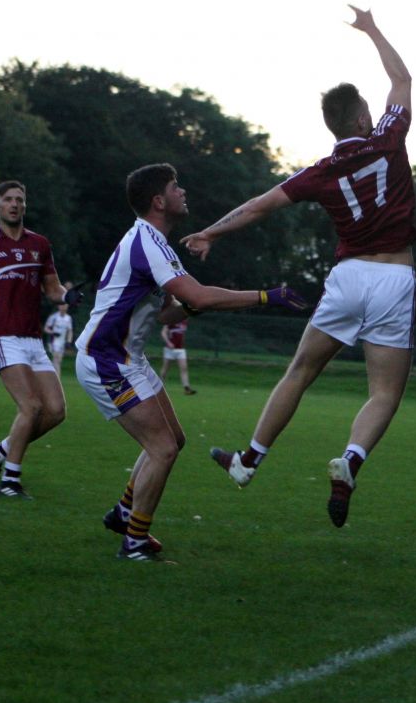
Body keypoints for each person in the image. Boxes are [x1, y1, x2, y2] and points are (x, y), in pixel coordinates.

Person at [182, 5, 415, 528]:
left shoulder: (320, 172)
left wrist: (210, 232)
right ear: (361, 118)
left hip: (348, 276)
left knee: (300, 372)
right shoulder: (389, 138)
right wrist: (372, 29)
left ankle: (249, 462)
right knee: (383, 392)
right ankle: (350, 461)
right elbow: (401, 77)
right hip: (394, 278)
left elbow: (258, 206)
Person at [75, 163, 308, 561]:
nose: (183, 192)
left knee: (172, 441)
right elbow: (197, 297)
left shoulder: (153, 242)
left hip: (127, 357)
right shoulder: (147, 242)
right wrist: (267, 296)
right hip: (107, 359)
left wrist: (198, 306)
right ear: (158, 201)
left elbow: (170, 312)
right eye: (175, 187)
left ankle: (124, 513)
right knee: (162, 448)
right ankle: (133, 542)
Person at [0, 180, 81, 499]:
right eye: (8, 200)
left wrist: (68, 296)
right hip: (2, 337)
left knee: (55, 411)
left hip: (33, 341)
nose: (14, 204)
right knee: (32, 406)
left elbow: (52, 290)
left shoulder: (40, 244)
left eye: (19, 200)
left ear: (25, 206)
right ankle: (10, 479)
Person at [159, 319, 196, 395]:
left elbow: (181, 335)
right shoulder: (171, 319)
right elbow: (163, 332)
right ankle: (159, 387)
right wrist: (168, 342)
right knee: (165, 369)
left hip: (180, 349)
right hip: (170, 349)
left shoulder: (184, 322)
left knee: (184, 368)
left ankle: (187, 388)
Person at [43, 301, 74, 376]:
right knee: (56, 359)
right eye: (62, 305)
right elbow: (46, 328)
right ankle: (57, 378)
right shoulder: (53, 317)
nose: (63, 307)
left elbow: (70, 331)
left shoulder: (68, 318)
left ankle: (51, 376)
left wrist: (68, 342)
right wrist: (53, 332)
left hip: (62, 342)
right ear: (58, 306)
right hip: (53, 341)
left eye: (65, 305)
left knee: (58, 361)